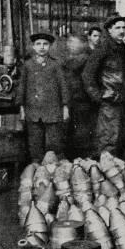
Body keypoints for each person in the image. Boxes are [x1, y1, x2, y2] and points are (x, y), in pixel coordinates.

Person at [82, 13, 125, 160]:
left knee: (121, 139)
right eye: (117, 28)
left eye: (123, 27)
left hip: (122, 101)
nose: (122, 31)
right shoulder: (103, 48)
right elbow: (87, 75)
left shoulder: (121, 48)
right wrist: (100, 95)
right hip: (110, 103)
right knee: (109, 140)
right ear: (109, 30)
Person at [17, 31, 69, 162]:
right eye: (38, 44)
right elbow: (22, 87)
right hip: (33, 111)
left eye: (45, 44)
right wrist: (21, 108)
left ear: (50, 46)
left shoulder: (56, 64)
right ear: (33, 47)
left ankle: (55, 171)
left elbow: (63, 86)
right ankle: (37, 170)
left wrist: (65, 107)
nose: (42, 47)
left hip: (52, 111)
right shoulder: (28, 65)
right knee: (35, 144)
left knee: (54, 143)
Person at [62, 35, 96, 160]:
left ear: (83, 44)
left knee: (82, 134)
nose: (69, 44)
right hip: (72, 101)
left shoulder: (86, 59)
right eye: (69, 42)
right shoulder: (69, 60)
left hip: (83, 102)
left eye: (73, 42)